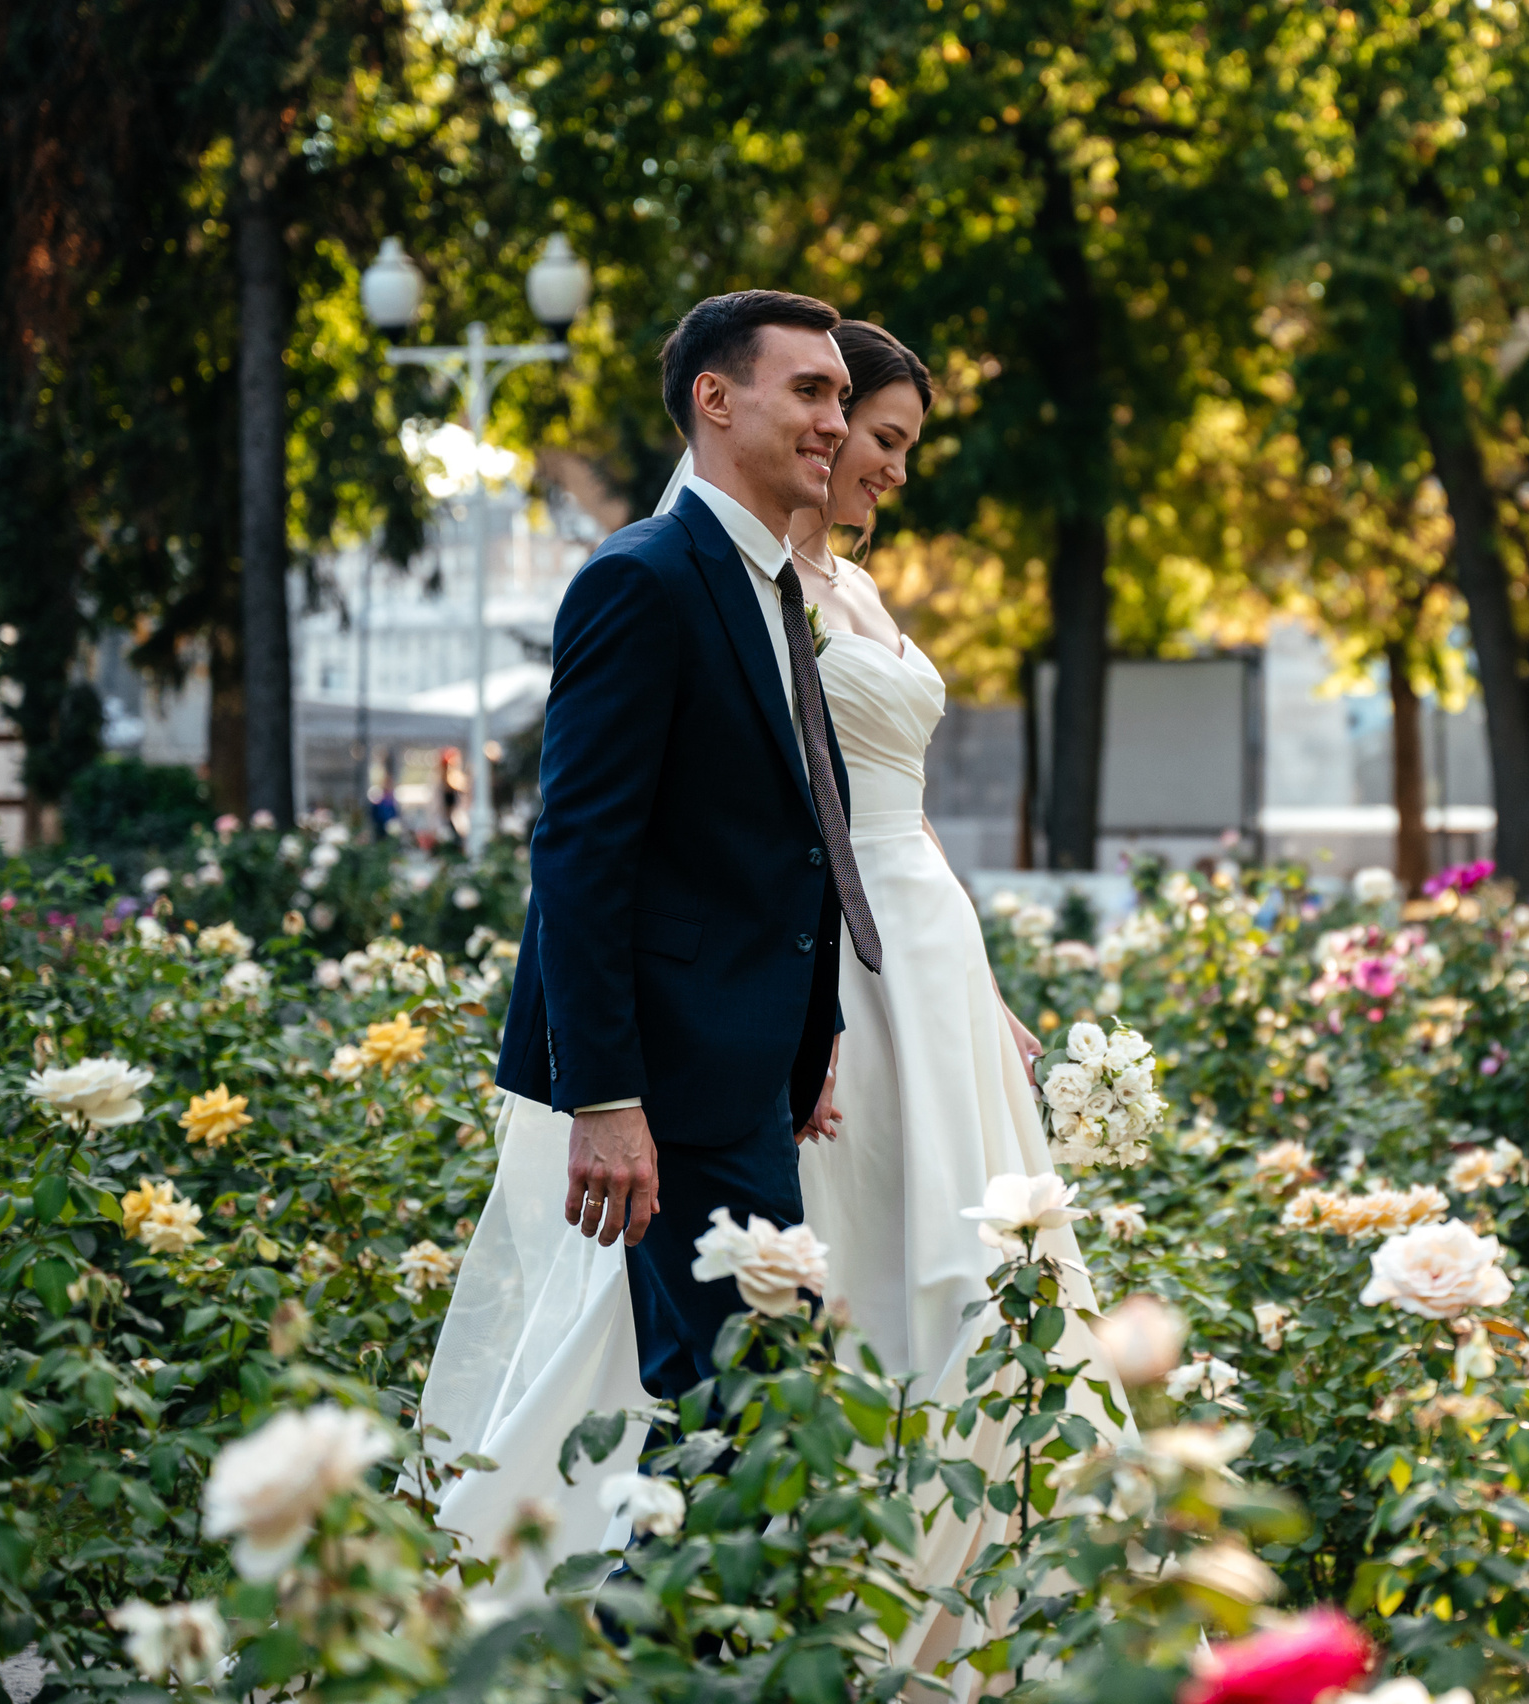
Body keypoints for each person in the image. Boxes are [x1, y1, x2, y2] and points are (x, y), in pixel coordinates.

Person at [678, 319, 1128, 1678]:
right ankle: (872, 1580)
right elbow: (769, 812)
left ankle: (993, 1577)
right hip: (838, 957)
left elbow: (897, 805)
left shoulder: (857, 590)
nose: (886, 465)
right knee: (887, 1242)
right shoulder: (751, 590)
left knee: (989, 1250)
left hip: (929, 952)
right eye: (877, 435)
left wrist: (975, 983)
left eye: (898, 445)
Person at [418, 289, 871, 1588]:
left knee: (745, 1402)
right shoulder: (643, 578)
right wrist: (606, 1098)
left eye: (842, 397)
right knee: (745, 1402)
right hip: (665, 1082)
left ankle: (671, 1643)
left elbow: (784, 842)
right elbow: (580, 852)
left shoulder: (771, 584)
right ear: (714, 400)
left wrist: (808, 1040)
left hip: (745, 1074)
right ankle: (657, 1643)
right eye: (810, 391)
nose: (834, 422)